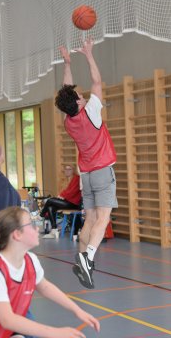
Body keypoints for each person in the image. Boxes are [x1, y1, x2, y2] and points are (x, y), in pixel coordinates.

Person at [0, 206, 100, 338]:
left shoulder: (30, 260)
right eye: (31, 224)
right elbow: (7, 320)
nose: (36, 229)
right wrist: (56, 333)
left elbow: (45, 287)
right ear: (17, 234)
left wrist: (77, 310)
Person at [55, 38, 118, 290]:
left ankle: (82, 261)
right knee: (103, 218)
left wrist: (68, 63)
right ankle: (88, 259)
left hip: (87, 176)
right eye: (79, 96)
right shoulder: (91, 112)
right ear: (79, 102)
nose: (82, 94)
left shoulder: (68, 121)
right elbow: (97, 82)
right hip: (101, 172)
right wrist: (89, 54)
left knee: (89, 219)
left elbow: (66, 91)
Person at [40, 164, 82, 239]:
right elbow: (65, 192)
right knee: (50, 207)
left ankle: (41, 215)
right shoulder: (66, 180)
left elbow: (72, 192)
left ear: (73, 171)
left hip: (74, 203)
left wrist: (62, 195)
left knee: (50, 200)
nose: (67, 171)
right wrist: (61, 196)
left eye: (69, 169)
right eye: (66, 169)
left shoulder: (77, 178)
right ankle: (54, 230)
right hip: (68, 201)